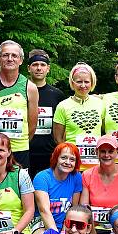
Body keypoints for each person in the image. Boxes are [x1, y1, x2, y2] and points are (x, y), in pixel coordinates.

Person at [0, 40, 39, 169]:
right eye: (5, 55)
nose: (10, 59)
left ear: (21, 60)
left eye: (14, 56)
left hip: (19, 149)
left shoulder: (30, 88)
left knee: (18, 188)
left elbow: (32, 124)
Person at [52, 62, 104, 171]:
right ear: (72, 82)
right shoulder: (63, 106)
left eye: (87, 82)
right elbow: (58, 138)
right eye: (79, 82)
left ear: (92, 83)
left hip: (95, 164)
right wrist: (67, 158)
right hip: (72, 164)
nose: (83, 85)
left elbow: (106, 131)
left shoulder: (100, 103)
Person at [27, 49, 66, 178]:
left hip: (49, 153)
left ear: (48, 69)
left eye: (42, 65)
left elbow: (62, 126)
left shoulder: (57, 95)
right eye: (35, 65)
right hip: (26, 152)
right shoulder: (21, 93)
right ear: (29, 68)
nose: (39, 68)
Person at [31, 143, 83, 234]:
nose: (67, 162)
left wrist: (67, 226)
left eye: (72, 159)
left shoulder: (76, 176)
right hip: (40, 223)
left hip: (65, 224)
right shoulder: (42, 177)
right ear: (55, 158)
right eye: (63, 158)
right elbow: (44, 210)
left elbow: (74, 208)